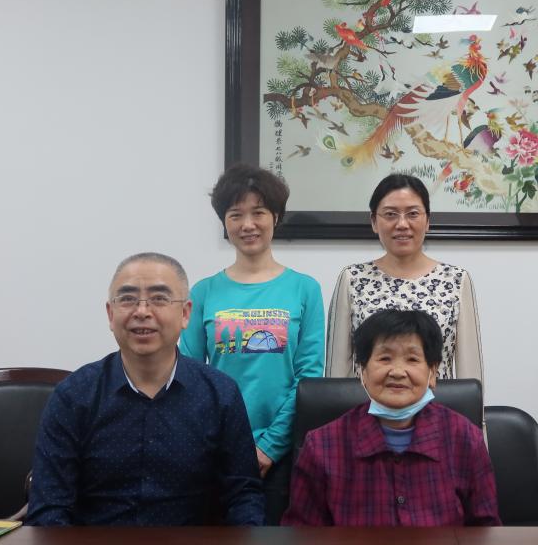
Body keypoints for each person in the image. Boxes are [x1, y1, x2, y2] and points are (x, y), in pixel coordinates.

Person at [27, 253, 264, 526]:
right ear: (110, 314)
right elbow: (49, 509)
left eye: (159, 298)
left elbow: (243, 496)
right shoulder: (74, 396)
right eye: (127, 299)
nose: (142, 312)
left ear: (185, 313)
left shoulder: (220, 394)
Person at [180, 164, 325, 525]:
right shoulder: (203, 292)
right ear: (224, 223)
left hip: (280, 453)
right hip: (215, 450)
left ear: (275, 217)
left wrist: (268, 447)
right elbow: (189, 375)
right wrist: (220, 444)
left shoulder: (304, 289)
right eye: (235, 215)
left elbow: (308, 378)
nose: (248, 224)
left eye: (258, 212)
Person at [282, 309, 500, 526]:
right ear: (363, 371)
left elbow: (486, 532)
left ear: (432, 372)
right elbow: (302, 537)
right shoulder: (322, 446)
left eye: (412, 359)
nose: (397, 371)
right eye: (385, 358)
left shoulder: (465, 439)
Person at [326, 174, 483, 382]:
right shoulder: (352, 278)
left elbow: (470, 375)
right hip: (368, 402)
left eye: (413, 214)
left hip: (436, 402)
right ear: (374, 222)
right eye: (390, 214)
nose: (402, 224)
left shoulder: (455, 280)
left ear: (427, 221)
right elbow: (336, 371)